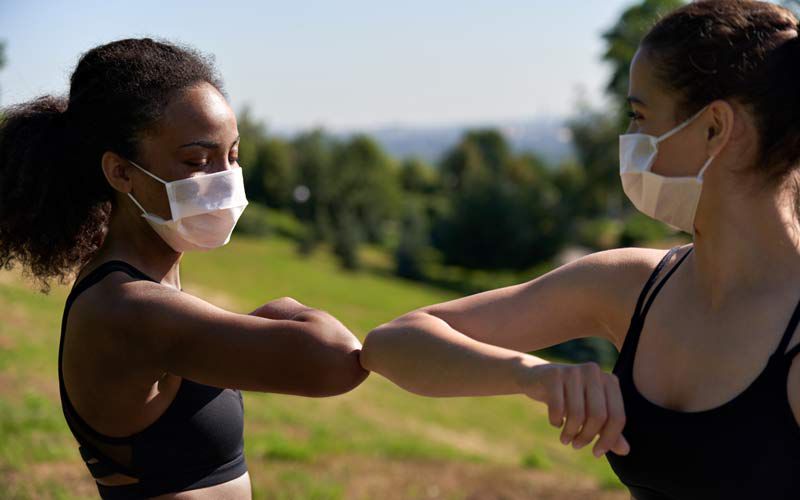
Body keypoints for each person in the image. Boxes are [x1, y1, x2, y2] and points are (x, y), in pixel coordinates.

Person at [360, 1, 800, 498]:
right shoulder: (633, 286)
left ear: (714, 128)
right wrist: (530, 374)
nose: (629, 139)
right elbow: (392, 343)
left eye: (639, 116)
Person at [0, 38, 368, 499]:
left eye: (232, 156)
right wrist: (287, 310)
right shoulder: (125, 309)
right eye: (197, 161)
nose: (224, 179)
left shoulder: (151, 289)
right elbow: (333, 359)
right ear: (120, 172)